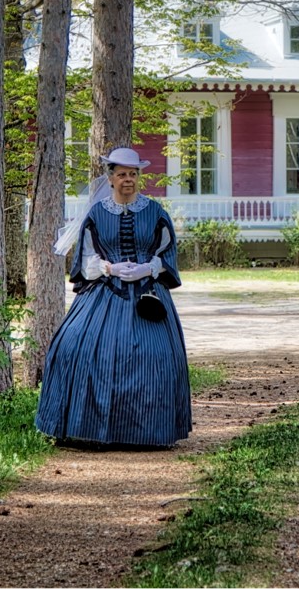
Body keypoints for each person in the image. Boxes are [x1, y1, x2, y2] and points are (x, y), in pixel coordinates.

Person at [35, 146, 192, 447]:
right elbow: (85, 258)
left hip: (148, 294)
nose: (128, 179)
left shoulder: (156, 213)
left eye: (133, 174)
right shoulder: (96, 214)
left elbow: (167, 253)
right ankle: (88, 428)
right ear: (111, 179)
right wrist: (109, 267)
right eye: (122, 174)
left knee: (154, 355)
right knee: (75, 347)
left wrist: (148, 267)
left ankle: (149, 432)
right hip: (104, 292)